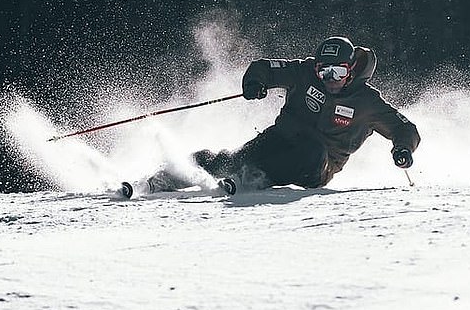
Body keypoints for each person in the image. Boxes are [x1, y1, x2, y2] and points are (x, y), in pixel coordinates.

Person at [122, 36, 420, 197]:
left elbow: (403, 128)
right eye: (323, 71)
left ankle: (249, 179)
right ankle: (156, 181)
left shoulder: (367, 101)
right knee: (226, 159)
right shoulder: (305, 72)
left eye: (338, 72)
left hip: (317, 165)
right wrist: (256, 83)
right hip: (280, 139)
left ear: (351, 70)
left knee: (311, 150)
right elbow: (266, 66)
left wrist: (402, 148)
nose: (329, 78)